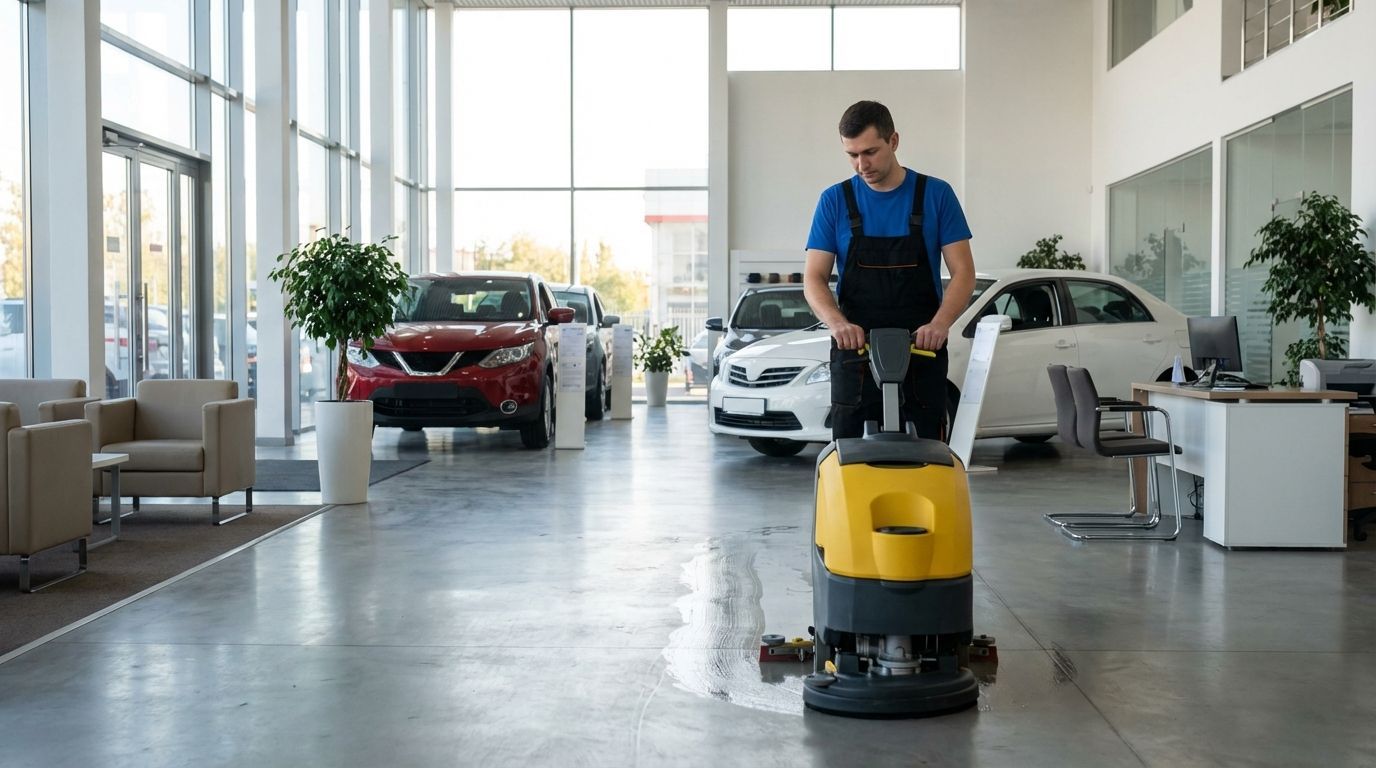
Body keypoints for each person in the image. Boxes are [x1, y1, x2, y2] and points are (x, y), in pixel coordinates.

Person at [803, 100, 975, 442]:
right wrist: (838, 324)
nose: (861, 165)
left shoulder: (936, 195)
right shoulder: (834, 200)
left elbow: (964, 273)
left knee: (927, 451)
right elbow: (814, 278)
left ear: (894, 141)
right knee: (850, 452)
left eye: (870, 152)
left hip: (922, 348)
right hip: (855, 351)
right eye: (852, 155)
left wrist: (939, 325)